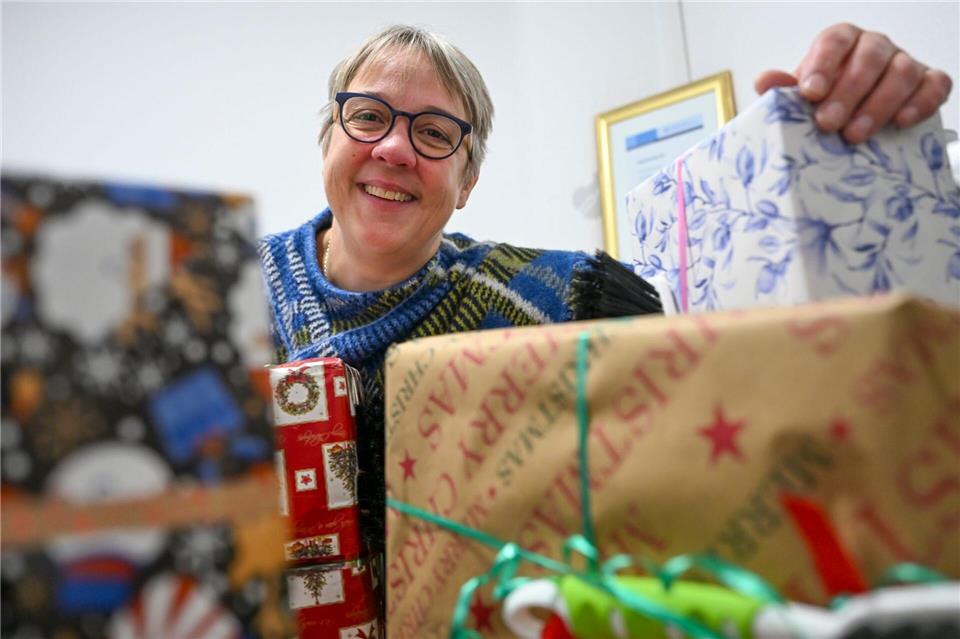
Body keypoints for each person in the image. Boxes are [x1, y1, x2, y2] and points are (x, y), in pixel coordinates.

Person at [258, 23, 953, 553]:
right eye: (370, 116)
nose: (395, 149)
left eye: (435, 132)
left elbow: (737, 416)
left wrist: (843, 157)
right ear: (329, 139)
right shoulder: (221, 298)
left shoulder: (566, 299)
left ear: (468, 183)